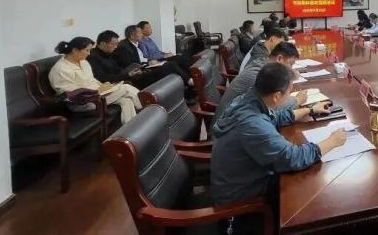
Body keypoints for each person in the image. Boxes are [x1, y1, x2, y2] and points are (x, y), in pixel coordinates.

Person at [211, 63, 347, 211]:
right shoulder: (253, 124)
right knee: (312, 189)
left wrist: (310, 110)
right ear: (276, 96)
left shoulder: (248, 99)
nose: (290, 96)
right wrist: (332, 141)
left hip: (241, 178)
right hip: (239, 202)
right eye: (289, 92)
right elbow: (292, 158)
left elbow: (275, 117)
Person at [49, 37, 141, 123]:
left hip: (98, 95)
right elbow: (70, 94)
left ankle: (131, 128)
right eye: (87, 50)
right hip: (83, 102)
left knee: (126, 101)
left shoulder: (83, 62)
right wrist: (97, 90)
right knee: (125, 88)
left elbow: (92, 80)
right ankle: (146, 107)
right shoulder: (60, 69)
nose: (89, 53)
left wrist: (104, 86)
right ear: (75, 50)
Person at [219, 42, 307, 116]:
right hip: (230, 122)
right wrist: (296, 100)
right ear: (279, 59)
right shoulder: (261, 74)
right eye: (291, 63)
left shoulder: (263, 63)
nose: (291, 67)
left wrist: (291, 74)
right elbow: (271, 107)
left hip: (236, 117)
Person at [113, 25, 189, 88]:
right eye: (140, 33)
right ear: (132, 36)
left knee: (178, 58)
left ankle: (190, 78)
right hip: (141, 74)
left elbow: (144, 57)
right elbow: (130, 66)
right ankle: (189, 81)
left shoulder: (136, 43)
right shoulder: (124, 48)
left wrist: (151, 61)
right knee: (171, 65)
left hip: (148, 64)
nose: (142, 34)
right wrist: (148, 63)